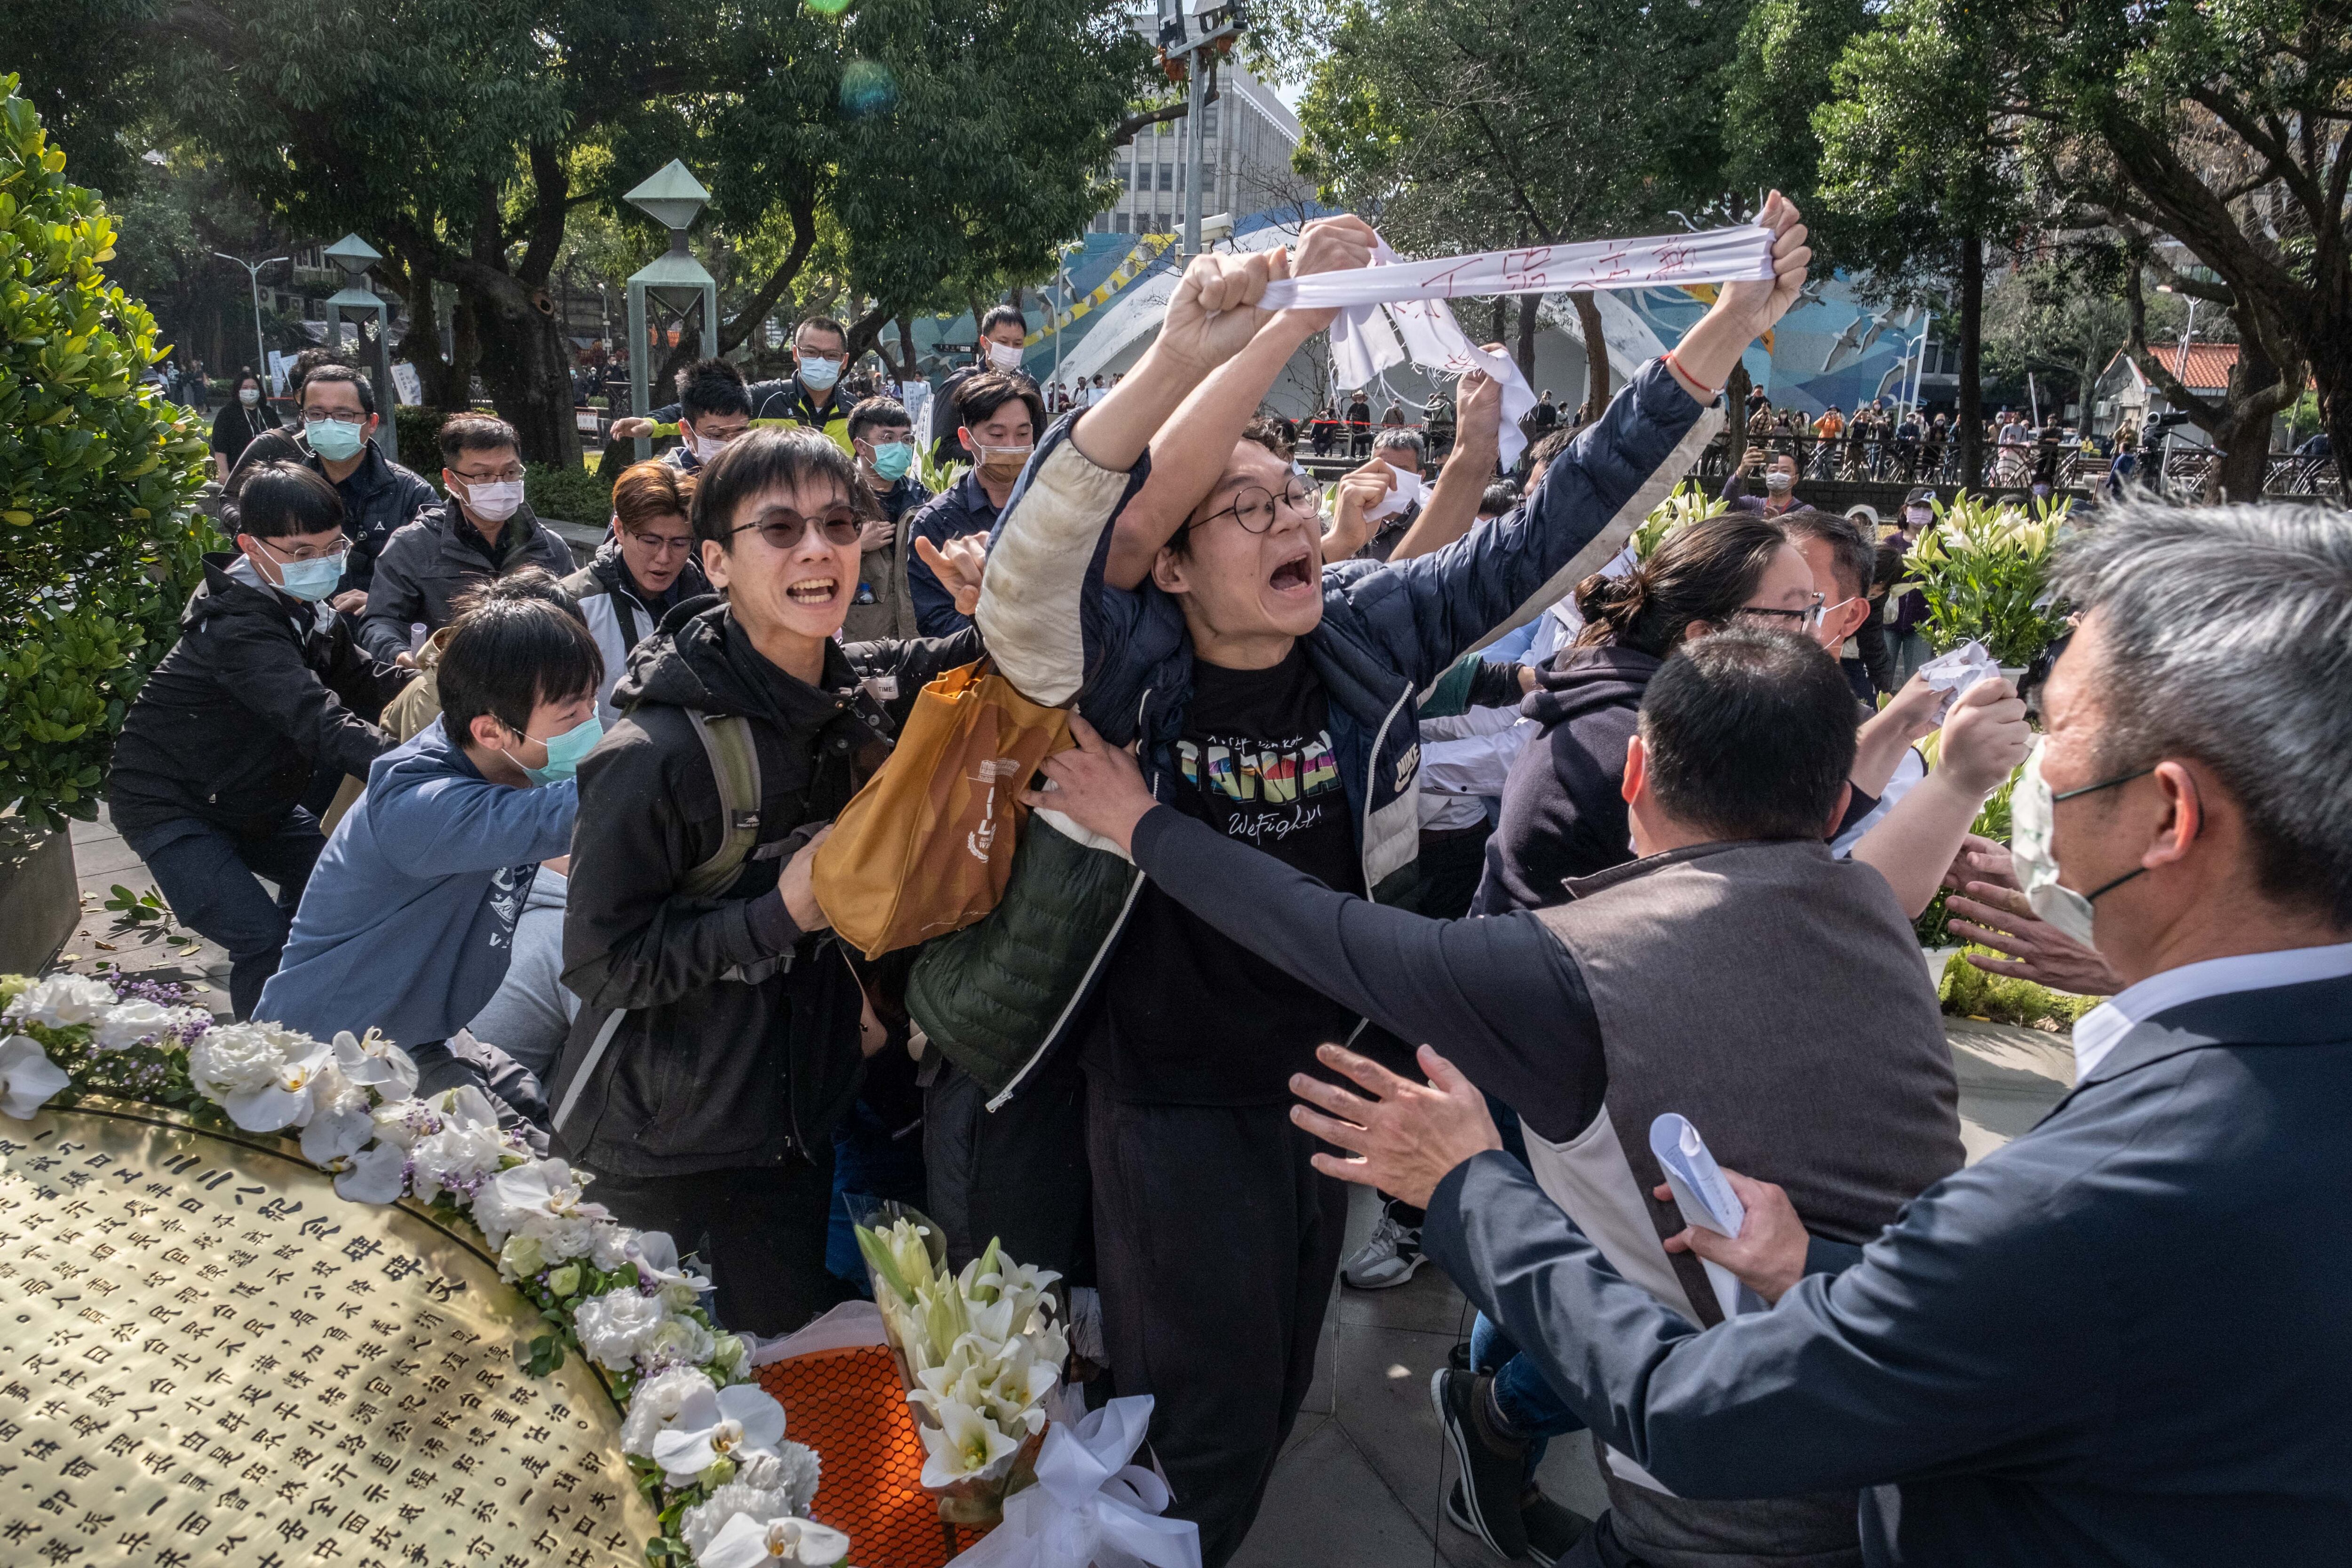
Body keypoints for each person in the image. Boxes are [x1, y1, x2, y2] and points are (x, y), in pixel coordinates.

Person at [970, 196, 1815, 1566]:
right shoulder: (1130, 677)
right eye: (1241, 509)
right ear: (1171, 564)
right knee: (1202, 1419)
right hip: (1168, 1100)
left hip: (1325, 1087)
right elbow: (1049, 548)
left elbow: (1559, 523)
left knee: (1283, 1383)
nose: (1288, 518)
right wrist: (1254, 332)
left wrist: (1723, 328)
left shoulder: (1362, 628)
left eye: (1290, 493)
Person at [1284, 500, 2352, 1568]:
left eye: (2058, 735)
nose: (2040, 778)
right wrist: (1820, 1264)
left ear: (2169, 817)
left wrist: (1467, 1182)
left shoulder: (2092, 1201)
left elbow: (1696, 1416)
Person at [1032, 628, 1969, 1567]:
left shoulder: (1568, 970)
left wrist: (1137, 820)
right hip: (1936, 1477)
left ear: (1633, 772)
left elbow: (1319, 931)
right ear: (1842, 801)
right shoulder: (1876, 913)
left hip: (1725, 1521)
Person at [544, 427, 989, 1335]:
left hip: (792, 1127)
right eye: (780, 530)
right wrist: (781, 910)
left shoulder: (845, 693)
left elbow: (957, 668)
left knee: (783, 1366)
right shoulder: (653, 754)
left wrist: (996, 609)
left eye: (837, 522)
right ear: (716, 559)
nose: (818, 548)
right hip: (657, 1146)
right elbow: (601, 963)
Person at [259, 576, 595, 1118]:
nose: (591, 724)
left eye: (592, 703)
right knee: (532, 1180)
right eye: (572, 713)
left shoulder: (497, 759)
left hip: (422, 1032)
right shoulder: (422, 805)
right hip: (337, 1057)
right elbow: (588, 807)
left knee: (549, 1126)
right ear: (492, 732)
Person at [105, 463, 414, 1018]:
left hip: (250, 799)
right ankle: (254, 1067)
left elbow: (367, 682)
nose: (320, 563)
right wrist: (423, 767)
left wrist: (450, 682)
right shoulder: (237, 626)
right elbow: (318, 720)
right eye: (300, 552)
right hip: (169, 804)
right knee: (259, 937)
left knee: (331, 886)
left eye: (331, 547)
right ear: (249, 545)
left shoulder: (309, 611)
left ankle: (305, 1018)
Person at [359, 414, 575, 664]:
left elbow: (577, 618)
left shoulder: (549, 547)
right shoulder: (412, 546)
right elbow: (381, 622)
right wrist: (401, 655)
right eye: (483, 476)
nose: (500, 484)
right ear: (452, 480)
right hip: (447, 687)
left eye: (510, 472)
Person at [563, 461, 712, 723]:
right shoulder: (573, 606)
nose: (664, 558)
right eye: (650, 541)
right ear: (620, 530)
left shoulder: (711, 602)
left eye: (680, 543)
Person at [290, 362, 438, 621]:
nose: (328, 423)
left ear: (371, 423)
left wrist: (383, 601)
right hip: (302, 633)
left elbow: (440, 582)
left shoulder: (412, 494)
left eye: (344, 415)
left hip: (381, 636)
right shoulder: (286, 490)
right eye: (316, 414)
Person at [903, 371, 1043, 637]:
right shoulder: (936, 522)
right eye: (998, 435)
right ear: (967, 439)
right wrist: (997, 639)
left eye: (1023, 434)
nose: (1012, 446)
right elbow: (935, 620)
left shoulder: (1051, 508)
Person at [612, 318, 859, 454]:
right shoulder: (765, 399)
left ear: (844, 361)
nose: (821, 361)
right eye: (811, 352)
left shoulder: (856, 413)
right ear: (796, 354)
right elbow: (705, 408)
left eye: (831, 355)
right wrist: (651, 424)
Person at [841, 396, 934, 642]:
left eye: (906, 439)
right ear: (861, 446)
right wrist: (856, 546)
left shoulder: (923, 500)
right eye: (888, 438)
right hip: (860, 641)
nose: (900, 446)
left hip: (914, 639)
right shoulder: (838, 501)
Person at [924, 305, 1031, 465]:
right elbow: (941, 446)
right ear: (985, 342)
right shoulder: (961, 383)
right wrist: (993, 457)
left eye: (1017, 344)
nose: (1010, 349)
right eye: (1003, 342)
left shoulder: (1028, 386)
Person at [210, 370, 281, 480]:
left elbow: (282, 440)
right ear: (238, 391)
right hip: (239, 474)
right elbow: (220, 446)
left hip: (270, 474)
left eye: (254, 388)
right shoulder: (227, 414)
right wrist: (224, 472)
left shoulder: (269, 413)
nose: (250, 391)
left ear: (259, 390)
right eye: (245, 388)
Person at [1720, 445, 1801, 515]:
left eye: (1785, 471)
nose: (1778, 475)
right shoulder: (1753, 505)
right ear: (1766, 475)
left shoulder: (1804, 511)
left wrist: (1776, 523)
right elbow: (1726, 505)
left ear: (1796, 479)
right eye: (1773, 471)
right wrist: (1740, 472)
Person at [1346, 387, 1373, 458]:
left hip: (1362, 427)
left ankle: (1362, 454)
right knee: (1353, 441)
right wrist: (1348, 424)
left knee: (1363, 441)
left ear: (1363, 398)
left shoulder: (1366, 407)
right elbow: (1348, 415)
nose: (1360, 399)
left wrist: (1368, 428)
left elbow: (1368, 418)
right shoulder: (1353, 406)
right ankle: (1352, 455)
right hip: (1354, 427)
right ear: (1356, 398)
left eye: (1361, 397)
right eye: (1359, 397)